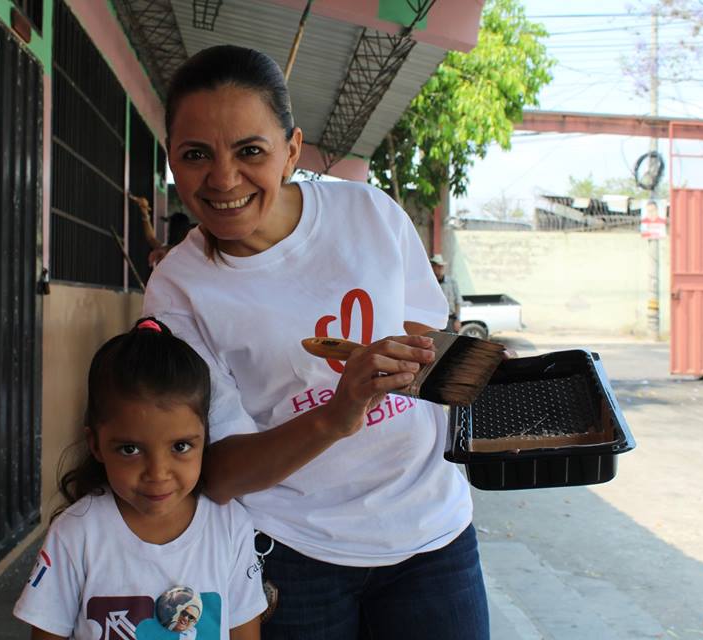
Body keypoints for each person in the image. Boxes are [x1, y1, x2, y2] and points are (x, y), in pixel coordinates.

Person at [143, 44, 490, 639]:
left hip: (433, 533)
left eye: (250, 151)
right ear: (172, 160)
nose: (223, 180)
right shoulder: (177, 293)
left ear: (291, 152)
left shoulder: (370, 214)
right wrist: (338, 412)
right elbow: (218, 474)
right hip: (294, 553)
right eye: (195, 155)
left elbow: (432, 348)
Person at [13, 317, 266, 639]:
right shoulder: (76, 533)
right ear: (96, 445)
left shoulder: (230, 528)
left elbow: (244, 631)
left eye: (181, 446)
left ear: (206, 438)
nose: (158, 474)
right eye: (130, 449)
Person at [430, 254, 461, 332]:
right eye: (438, 266)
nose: (440, 268)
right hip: (435, 320)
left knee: (452, 342)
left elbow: (458, 302)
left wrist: (457, 320)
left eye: (442, 266)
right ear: (433, 267)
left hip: (450, 320)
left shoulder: (452, 282)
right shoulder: (430, 283)